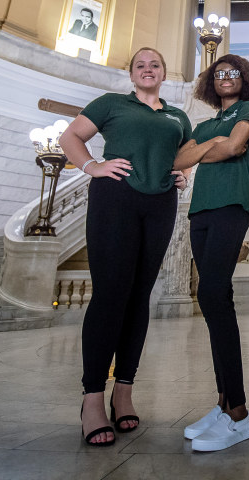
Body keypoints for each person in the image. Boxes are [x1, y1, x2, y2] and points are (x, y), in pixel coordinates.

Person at [59, 47, 191, 447]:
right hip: (115, 199)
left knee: (139, 297)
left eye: (155, 64)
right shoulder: (111, 104)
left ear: (164, 72)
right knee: (110, 296)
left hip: (160, 204)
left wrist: (183, 173)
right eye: (140, 65)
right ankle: (93, 399)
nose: (148, 69)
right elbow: (71, 136)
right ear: (131, 74)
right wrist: (92, 166)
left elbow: (185, 154)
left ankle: (125, 391)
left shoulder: (178, 116)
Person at [172, 54, 249, 452]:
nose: (226, 77)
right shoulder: (205, 124)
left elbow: (235, 147)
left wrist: (211, 149)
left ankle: (240, 413)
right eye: (219, 73)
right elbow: (178, 160)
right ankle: (225, 403)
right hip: (201, 211)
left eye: (233, 72)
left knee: (212, 293)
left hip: (232, 205)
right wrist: (213, 142)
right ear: (212, 81)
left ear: (244, 79)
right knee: (213, 299)